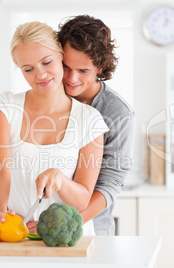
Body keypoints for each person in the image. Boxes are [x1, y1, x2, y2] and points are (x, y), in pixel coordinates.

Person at [0, 21, 109, 237]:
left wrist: (60, 179)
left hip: (69, 242)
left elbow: (82, 199)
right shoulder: (2, 108)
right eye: (28, 69)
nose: (40, 75)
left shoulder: (90, 120)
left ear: (61, 55)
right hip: (17, 236)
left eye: (46, 62)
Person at [57, 15, 135, 236]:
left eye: (83, 71)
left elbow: (112, 181)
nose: (71, 78)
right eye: (66, 67)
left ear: (100, 67)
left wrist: (68, 223)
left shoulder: (117, 111)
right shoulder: (49, 97)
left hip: (92, 228)